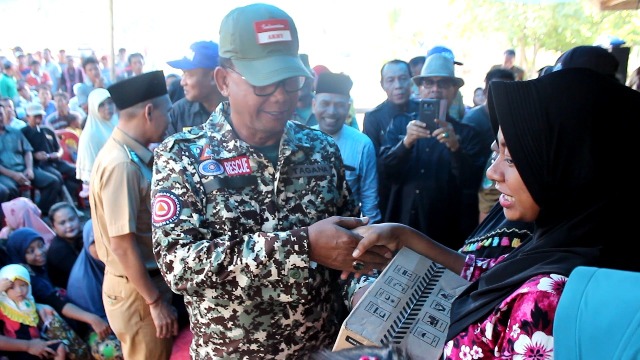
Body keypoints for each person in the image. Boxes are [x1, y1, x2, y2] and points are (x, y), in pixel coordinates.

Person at [151, 3, 389, 358]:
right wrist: (300, 246)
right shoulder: (182, 156)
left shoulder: (320, 150)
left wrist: (363, 287)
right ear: (224, 81)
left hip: (319, 350)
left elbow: (350, 247)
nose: (281, 96)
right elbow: (178, 265)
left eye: (290, 81)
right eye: (264, 83)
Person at [351, 68, 640, 359]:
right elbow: (487, 272)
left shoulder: (543, 298)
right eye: (496, 152)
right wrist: (403, 236)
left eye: (512, 158)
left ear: (573, 168)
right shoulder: (556, 247)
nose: (492, 172)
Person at [90, 71, 177, 360]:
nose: (170, 120)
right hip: (139, 291)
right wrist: (154, 302)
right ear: (149, 112)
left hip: (138, 285)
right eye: (168, 111)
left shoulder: (126, 155)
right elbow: (122, 244)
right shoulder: (122, 165)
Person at [380, 53, 485, 250]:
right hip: (403, 229)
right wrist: (406, 142)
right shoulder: (401, 124)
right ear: (419, 89)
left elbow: (471, 182)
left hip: (447, 236)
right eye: (428, 83)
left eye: (443, 84)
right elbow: (385, 172)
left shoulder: (467, 134)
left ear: (454, 90)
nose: (435, 89)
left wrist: (455, 148)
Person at [6, 228, 112, 359]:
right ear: (19, 255)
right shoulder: (29, 280)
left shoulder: (42, 269)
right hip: (57, 339)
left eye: (40, 245)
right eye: (31, 251)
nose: (39, 252)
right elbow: (59, 304)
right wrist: (92, 319)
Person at [311, 72, 381, 223]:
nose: (332, 112)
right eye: (325, 104)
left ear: (348, 108)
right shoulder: (298, 142)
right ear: (314, 105)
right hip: (306, 235)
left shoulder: (362, 144)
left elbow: (370, 199)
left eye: (340, 105)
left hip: (347, 233)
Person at [362, 59, 417, 222]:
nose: (398, 85)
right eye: (391, 80)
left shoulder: (425, 110)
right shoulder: (374, 117)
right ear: (382, 84)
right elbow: (373, 164)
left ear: (411, 80)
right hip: (390, 195)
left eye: (403, 78)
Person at [461, 69, 515, 223]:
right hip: (479, 192)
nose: (503, 94)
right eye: (497, 89)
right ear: (486, 91)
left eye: (508, 89)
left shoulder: (511, 117)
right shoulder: (473, 119)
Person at [66, 219, 123, 360]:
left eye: (107, 239)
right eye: (95, 243)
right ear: (86, 244)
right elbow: (102, 324)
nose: (103, 247)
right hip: (97, 330)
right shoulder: (83, 280)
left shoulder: (116, 259)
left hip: (120, 318)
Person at [0, 264, 67, 360]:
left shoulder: (28, 302)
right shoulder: (4, 308)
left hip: (36, 342)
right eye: (11, 287)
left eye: (23, 285)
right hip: (18, 350)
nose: (19, 291)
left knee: (60, 347)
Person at [165, 41, 225, 137]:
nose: (182, 82)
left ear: (213, 77)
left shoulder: (240, 110)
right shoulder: (179, 113)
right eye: (182, 74)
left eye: (188, 74)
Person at [75, 88, 118, 198]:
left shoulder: (117, 123)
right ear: (94, 108)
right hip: (104, 188)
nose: (107, 107)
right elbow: (91, 173)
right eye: (102, 105)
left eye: (110, 102)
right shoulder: (90, 135)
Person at [45, 202, 83, 289]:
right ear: (53, 227)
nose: (69, 225)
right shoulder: (58, 250)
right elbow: (82, 274)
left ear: (78, 218)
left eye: (72, 219)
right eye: (62, 223)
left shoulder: (79, 236)